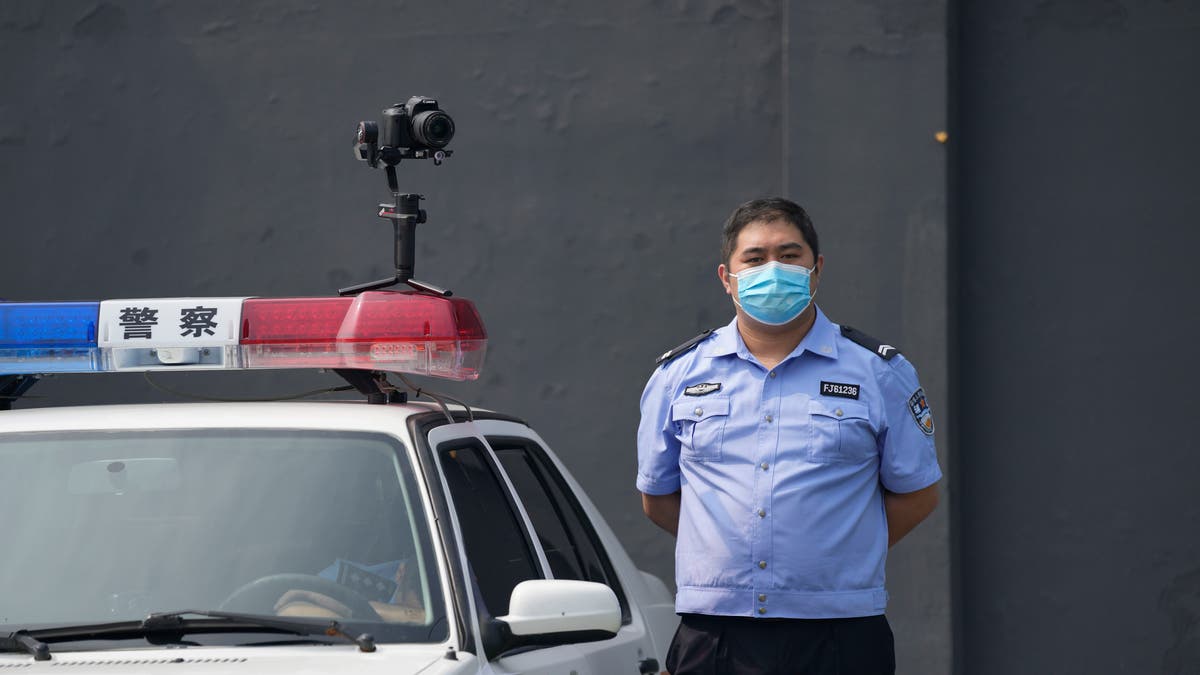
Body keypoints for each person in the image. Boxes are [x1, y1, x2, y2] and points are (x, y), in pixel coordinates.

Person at [636, 197, 941, 674]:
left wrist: (831, 552)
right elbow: (659, 499)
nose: (773, 269)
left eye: (789, 255)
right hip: (717, 633)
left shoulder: (879, 372)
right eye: (755, 259)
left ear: (816, 270)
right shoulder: (678, 376)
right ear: (726, 277)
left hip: (839, 631)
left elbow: (917, 495)